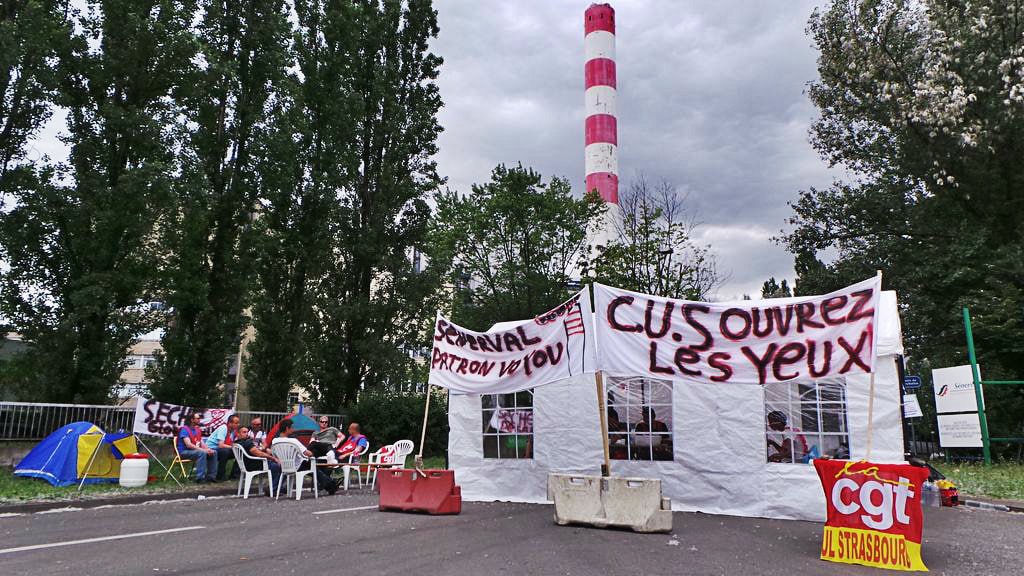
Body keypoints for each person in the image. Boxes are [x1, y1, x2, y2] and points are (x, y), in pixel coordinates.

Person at [272, 419, 338, 495]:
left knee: (315, 467)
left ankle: (331, 485)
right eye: (292, 427)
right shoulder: (293, 441)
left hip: (285, 466)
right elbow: (307, 453)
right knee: (316, 470)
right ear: (287, 428)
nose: (293, 429)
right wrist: (312, 454)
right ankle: (332, 486)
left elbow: (274, 454)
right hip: (299, 465)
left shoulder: (275, 441)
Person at [235, 426, 281, 494]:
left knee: (274, 464)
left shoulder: (236, 443)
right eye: (244, 432)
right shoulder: (247, 443)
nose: (247, 434)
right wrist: (273, 458)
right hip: (254, 464)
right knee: (277, 466)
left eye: (247, 432)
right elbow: (258, 454)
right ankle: (273, 489)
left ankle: (277, 487)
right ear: (238, 434)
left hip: (245, 465)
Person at [177, 412, 217, 483]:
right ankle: (200, 478)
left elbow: (201, 442)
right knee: (202, 453)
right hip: (184, 452)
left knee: (214, 452)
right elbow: (188, 445)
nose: (199, 420)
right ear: (192, 420)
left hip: (195, 451)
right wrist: (203, 450)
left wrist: (208, 449)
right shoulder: (184, 429)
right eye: (198, 418)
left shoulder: (197, 429)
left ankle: (211, 477)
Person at [206, 414, 240, 481]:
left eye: (238, 423)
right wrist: (233, 447)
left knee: (239, 452)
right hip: (211, 449)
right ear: (230, 423)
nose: (238, 425)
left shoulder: (233, 431)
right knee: (225, 452)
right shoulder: (223, 428)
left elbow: (232, 443)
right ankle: (220, 475)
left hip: (220, 449)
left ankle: (234, 475)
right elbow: (221, 445)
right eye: (236, 423)